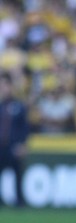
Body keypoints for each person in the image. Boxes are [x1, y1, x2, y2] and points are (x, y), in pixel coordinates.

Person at [0, 72, 29, 207]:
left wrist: (22, 144)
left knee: (17, 174)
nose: (3, 88)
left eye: (5, 85)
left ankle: (19, 200)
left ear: (11, 87)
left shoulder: (19, 106)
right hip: (0, 146)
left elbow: (25, 127)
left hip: (13, 146)